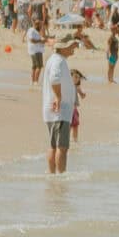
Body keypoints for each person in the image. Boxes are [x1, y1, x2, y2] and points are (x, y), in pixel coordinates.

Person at [42, 37, 79, 175]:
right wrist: (58, 97)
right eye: (71, 45)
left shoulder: (55, 59)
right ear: (63, 47)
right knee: (61, 147)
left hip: (54, 110)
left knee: (53, 145)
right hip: (60, 110)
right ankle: (60, 176)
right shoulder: (58, 60)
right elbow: (54, 78)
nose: (73, 48)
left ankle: (52, 174)